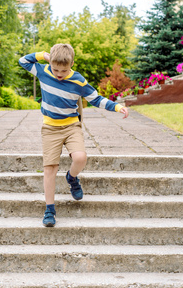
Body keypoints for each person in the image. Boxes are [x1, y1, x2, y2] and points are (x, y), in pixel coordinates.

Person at [18, 44, 129, 227]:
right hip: (50, 128)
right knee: (49, 169)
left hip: (71, 126)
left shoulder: (78, 80)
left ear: (72, 64)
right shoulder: (43, 71)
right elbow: (23, 61)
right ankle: (50, 210)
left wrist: (117, 107)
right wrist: (45, 56)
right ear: (50, 64)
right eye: (56, 69)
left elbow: (96, 99)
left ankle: (71, 177)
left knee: (80, 157)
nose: (59, 73)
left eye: (64, 69)